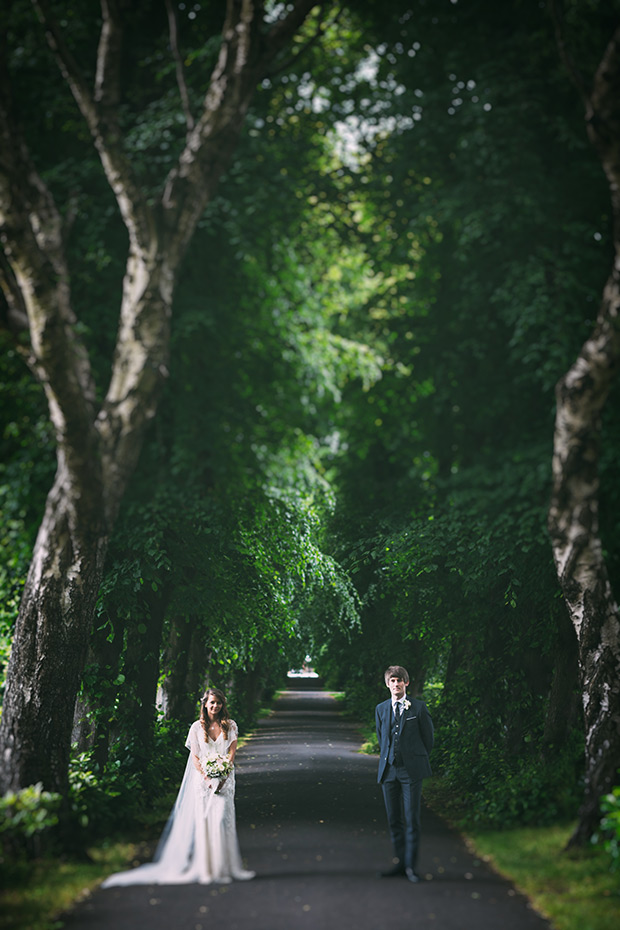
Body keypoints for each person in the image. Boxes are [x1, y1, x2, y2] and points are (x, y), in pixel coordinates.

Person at [102, 688, 255, 887]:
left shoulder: (230, 725)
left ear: (222, 704)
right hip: (203, 782)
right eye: (212, 703)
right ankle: (207, 869)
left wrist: (223, 774)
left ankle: (224, 867)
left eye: (218, 703)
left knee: (221, 821)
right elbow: (196, 758)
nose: (215, 706)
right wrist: (208, 777)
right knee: (205, 823)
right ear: (205, 704)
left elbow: (232, 753)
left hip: (226, 781)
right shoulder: (196, 728)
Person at [375, 665, 434, 884]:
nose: (396, 684)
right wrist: (390, 758)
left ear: (406, 683)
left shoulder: (418, 708)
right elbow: (383, 739)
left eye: (399, 681)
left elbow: (428, 740)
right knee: (394, 820)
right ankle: (399, 863)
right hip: (389, 771)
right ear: (387, 684)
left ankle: (411, 867)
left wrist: (415, 759)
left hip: (411, 772)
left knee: (412, 819)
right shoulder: (381, 709)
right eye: (392, 681)